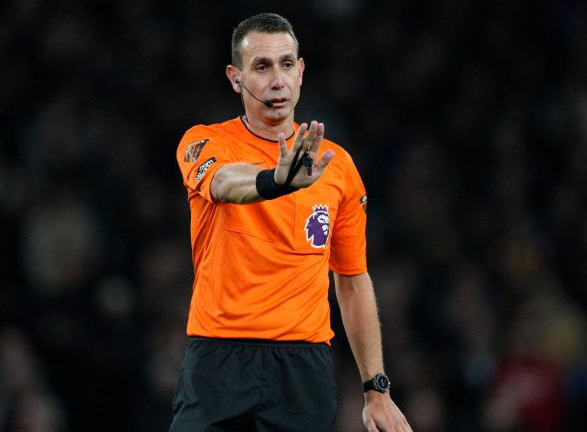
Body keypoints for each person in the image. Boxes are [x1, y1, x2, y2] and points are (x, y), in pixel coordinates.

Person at [173, 12, 412, 432]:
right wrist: (275, 182)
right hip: (218, 363)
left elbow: (352, 280)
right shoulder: (206, 141)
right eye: (261, 67)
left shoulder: (336, 167)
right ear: (235, 77)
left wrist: (376, 389)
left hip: (303, 371)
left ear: (301, 71)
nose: (277, 80)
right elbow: (226, 182)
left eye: (286, 64)